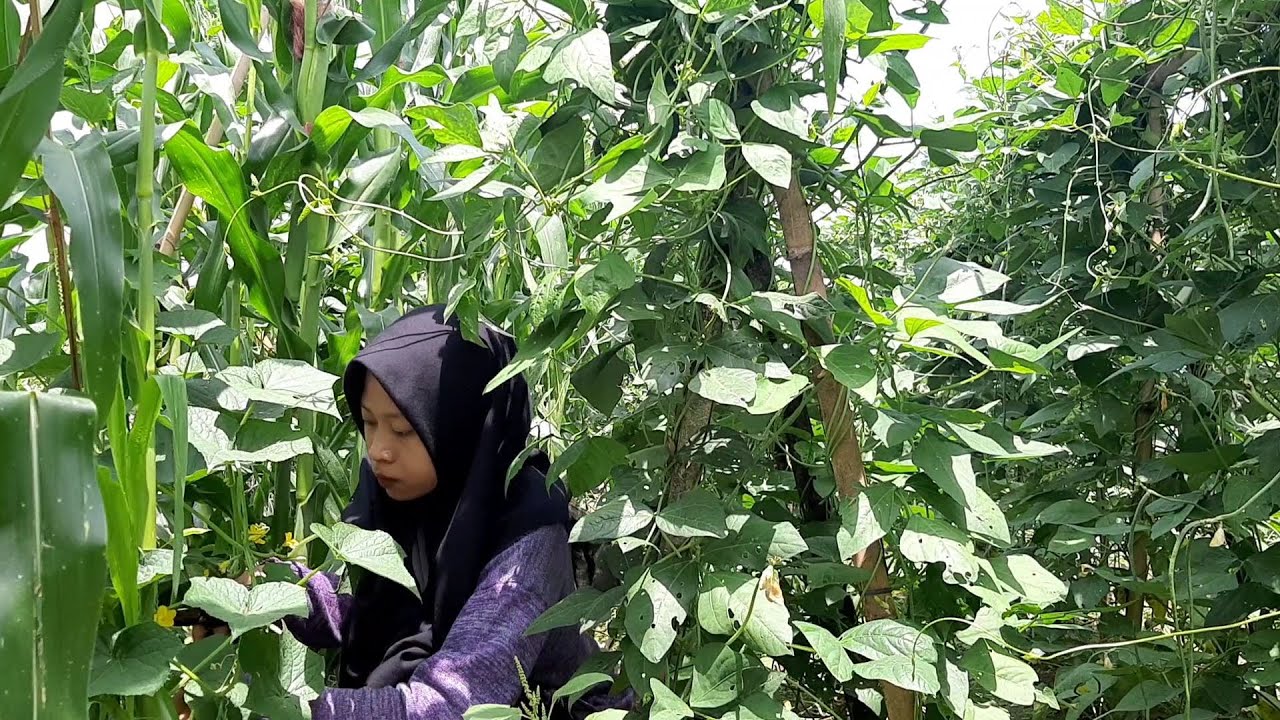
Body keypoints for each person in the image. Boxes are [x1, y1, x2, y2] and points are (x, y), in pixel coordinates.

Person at [281, 305, 627, 720]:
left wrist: (283, 710)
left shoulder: (526, 534)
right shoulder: (397, 488)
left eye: (403, 429)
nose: (378, 450)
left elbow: (453, 704)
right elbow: (370, 611)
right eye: (369, 423)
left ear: (460, 427)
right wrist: (272, 594)